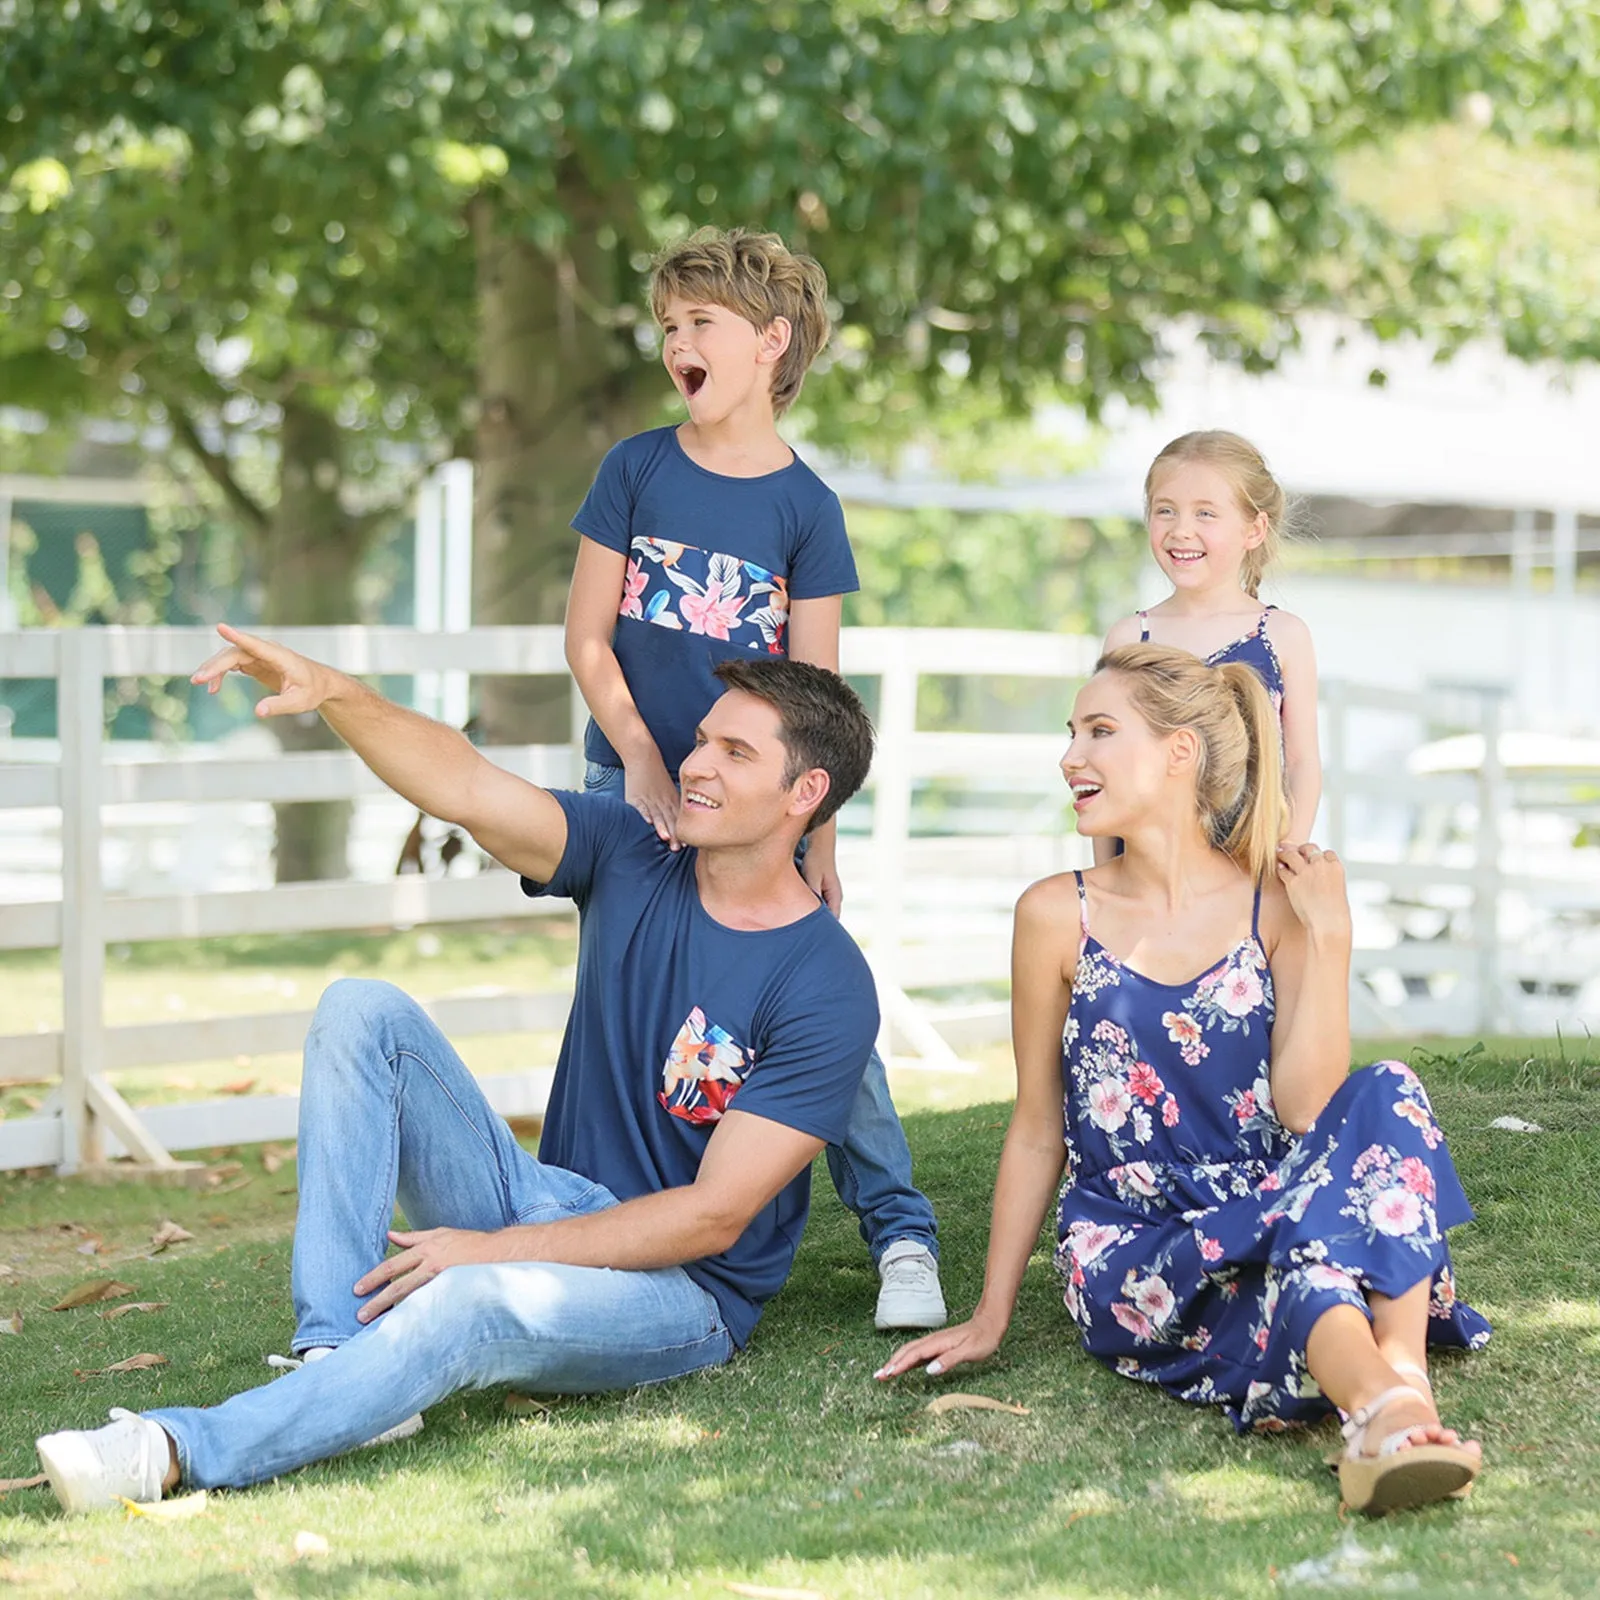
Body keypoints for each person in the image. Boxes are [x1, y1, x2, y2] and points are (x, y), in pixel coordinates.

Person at [34, 628, 882, 1513]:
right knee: (363, 1012)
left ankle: (170, 1450)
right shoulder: (638, 850)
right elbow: (466, 785)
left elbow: (714, 1218)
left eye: (734, 752)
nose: (696, 763)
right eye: (704, 738)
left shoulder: (827, 985)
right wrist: (335, 692)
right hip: (548, 1195)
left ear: (806, 792)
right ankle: (337, 1357)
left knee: (471, 1301)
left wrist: (490, 1253)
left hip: (680, 1295)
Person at [877, 645, 1489, 1516]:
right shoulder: (1055, 914)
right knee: (1310, 1254)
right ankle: (1395, 1405)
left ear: (1180, 753)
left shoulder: (1273, 905)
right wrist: (990, 1313)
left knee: (1382, 1094)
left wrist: (1331, 940)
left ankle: (1395, 1402)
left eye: (1099, 731)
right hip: (1134, 1249)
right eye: (1071, 733)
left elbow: (1310, 1110)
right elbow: (1037, 1127)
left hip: (1279, 1211)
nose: (1070, 757)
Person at [562, 224, 944, 1330]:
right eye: (667, 325)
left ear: (771, 342)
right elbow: (588, 641)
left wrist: (818, 841)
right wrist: (637, 759)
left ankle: (901, 1232)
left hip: (764, 804)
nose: (676, 341)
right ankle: (613, 1218)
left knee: (819, 1013)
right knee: (622, 1004)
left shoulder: (805, 510)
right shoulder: (632, 469)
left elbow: (814, 691)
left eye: (702, 323)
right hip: (629, 778)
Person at [1098, 430, 1321, 858]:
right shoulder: (1129, 637)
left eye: (1205, 514)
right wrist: (1108, 878)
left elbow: (1301, 763)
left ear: (1254, 529)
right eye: (1166, 511)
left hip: (1244, 875)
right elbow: (1108, 762)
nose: (1181, 531)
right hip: (1145, 877)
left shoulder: (1283, 636)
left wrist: (1283, 860)